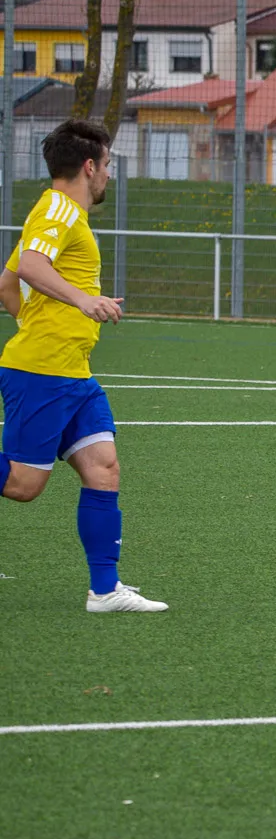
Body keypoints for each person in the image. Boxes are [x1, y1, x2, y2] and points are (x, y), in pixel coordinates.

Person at [0, 120, 167, 611]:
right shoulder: (57, 208)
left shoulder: (59, 213)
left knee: (103, 468)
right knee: (23, 486)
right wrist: (82, 301)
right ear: (90, 166)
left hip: (72, 371)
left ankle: (105, 591)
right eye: (108, 164)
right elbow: (30, 267)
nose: (110, 174)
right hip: (44, 371)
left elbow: (6, 285)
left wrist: (36, 321)